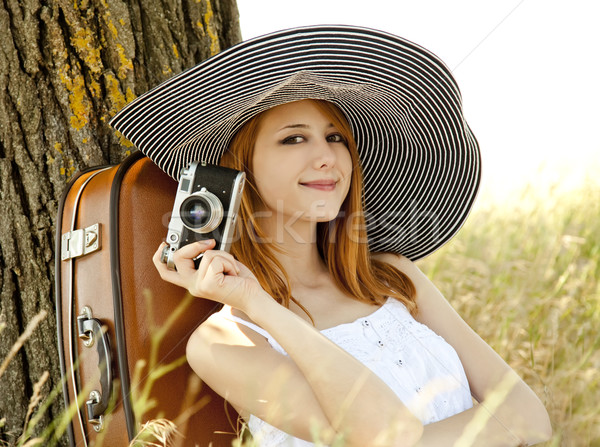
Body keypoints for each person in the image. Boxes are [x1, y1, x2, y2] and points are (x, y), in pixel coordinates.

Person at [111, 26, 552, 446]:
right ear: (239, 170)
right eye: (293, 139)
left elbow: (530, 417)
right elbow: (388, 435)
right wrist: (257, 303)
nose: (326, 157)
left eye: (335, 136)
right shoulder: (223, 342)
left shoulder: (393, 278)